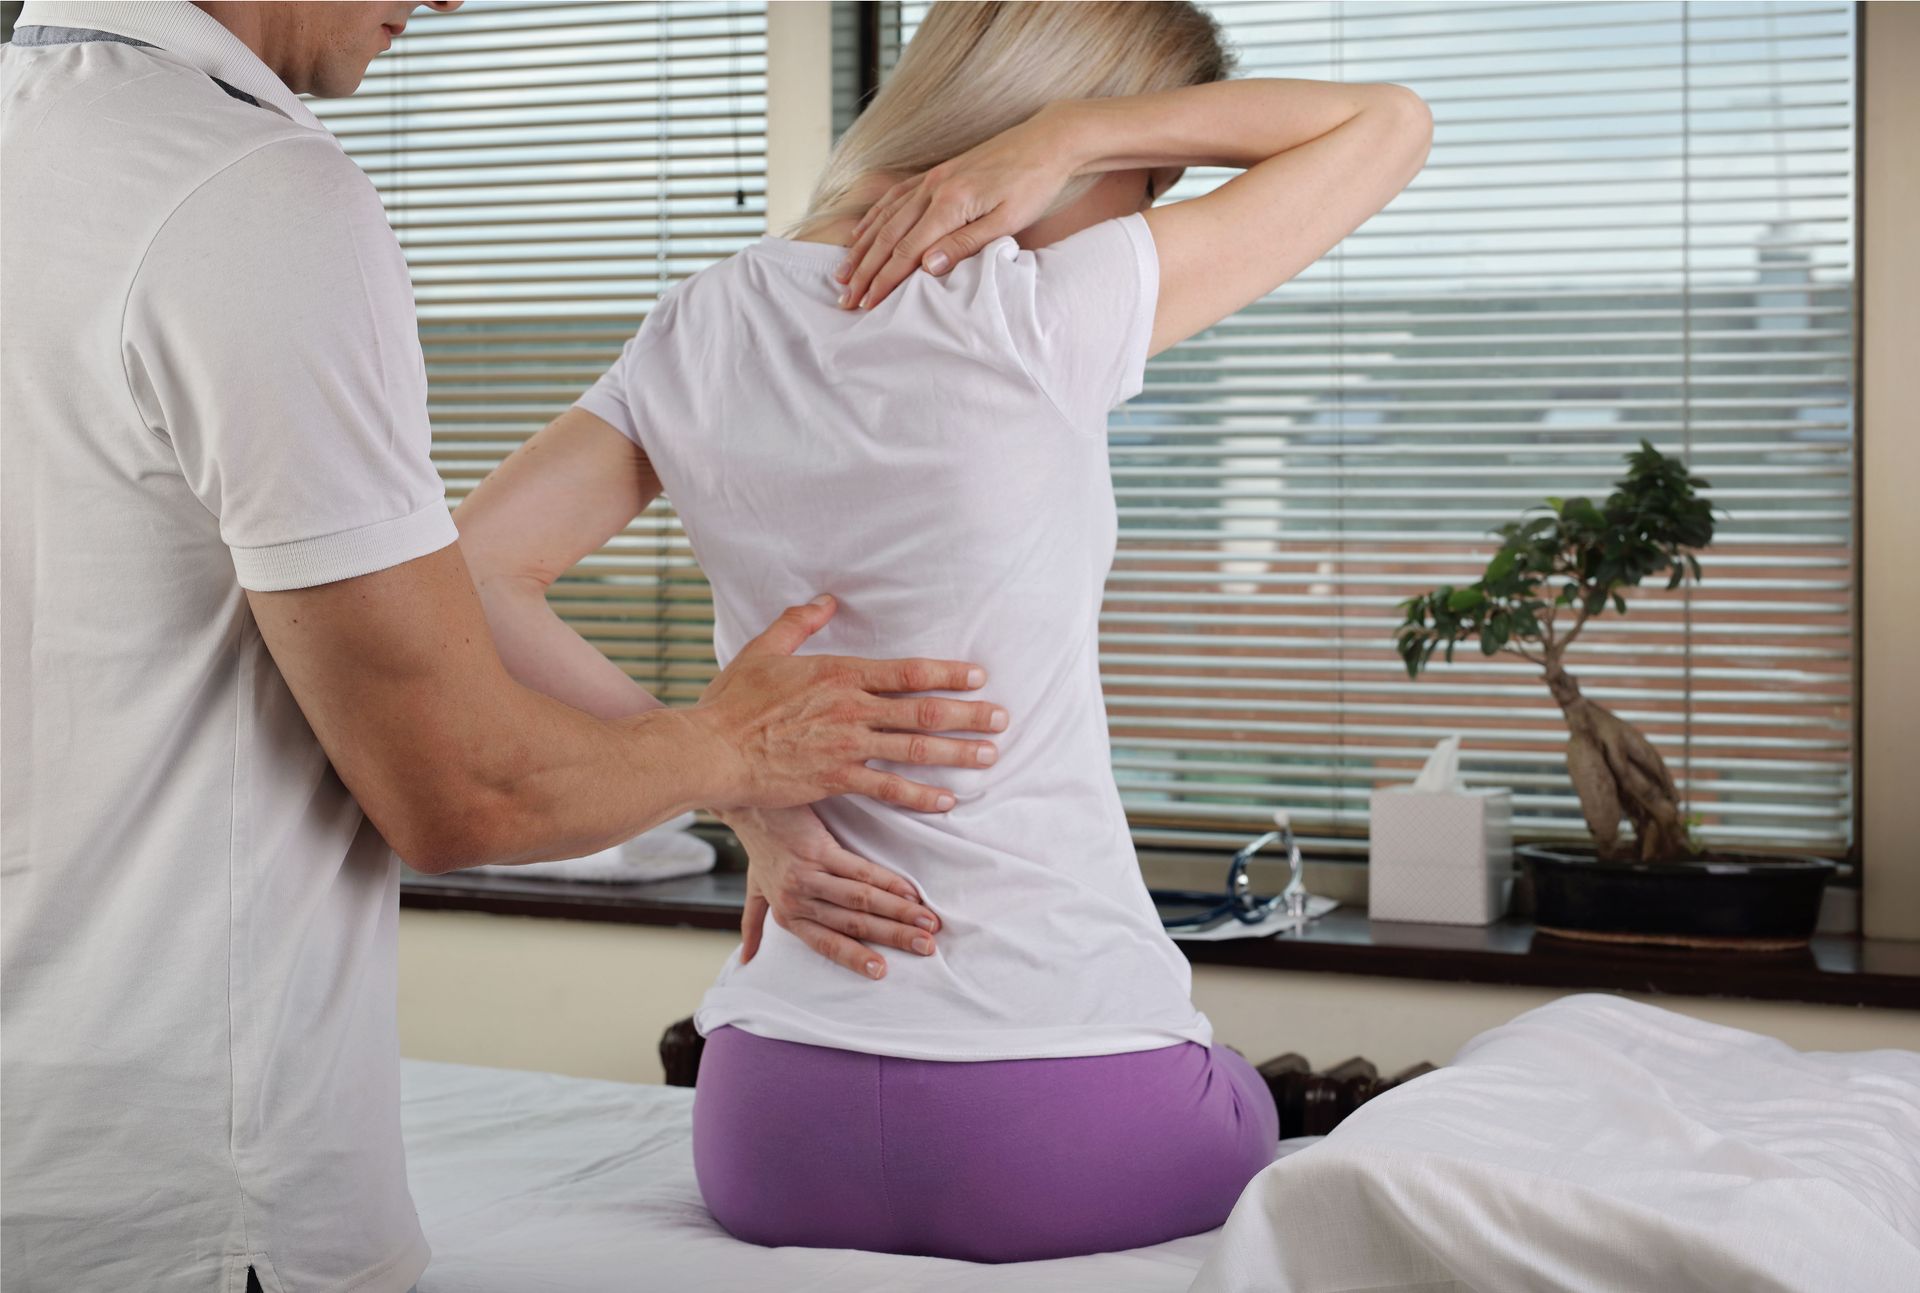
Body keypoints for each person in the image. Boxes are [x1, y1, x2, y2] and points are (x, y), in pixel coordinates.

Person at [0, 3, 1015, 1289]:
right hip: (189, 1208)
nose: (446, 2)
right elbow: (461, 788)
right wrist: (728, 749)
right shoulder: (248, 196)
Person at [455, 0, 1433, 1265]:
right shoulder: (1039, 312)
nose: (1150, 207)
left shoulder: (701, 318)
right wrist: (1076, 136)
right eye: (1153, 176)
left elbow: (472, 574)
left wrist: (741, 791)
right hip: (1063, 1110)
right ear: (1060, 139)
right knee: (1255, 1105)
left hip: (765, 1123)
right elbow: (1387, 123)